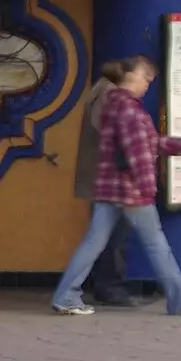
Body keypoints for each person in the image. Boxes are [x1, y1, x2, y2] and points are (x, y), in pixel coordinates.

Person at [52, 56, 181, 317]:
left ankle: (66, 295)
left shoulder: (116, 104)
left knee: (93, 242)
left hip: (108, 188)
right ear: (131, 77)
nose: (147, 85)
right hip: (129, 190)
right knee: (157, 245)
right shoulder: (130, 110)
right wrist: (146, 189)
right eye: (145, 79)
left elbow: (147, 141)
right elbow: (138, 153)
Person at [73, 69, 139, 306]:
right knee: (112, 237)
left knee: (104, 236)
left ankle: (96, 286)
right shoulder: (109, 97)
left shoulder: (101, 93)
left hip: (104, 180)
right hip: (111, 181)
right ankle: (109, 287)